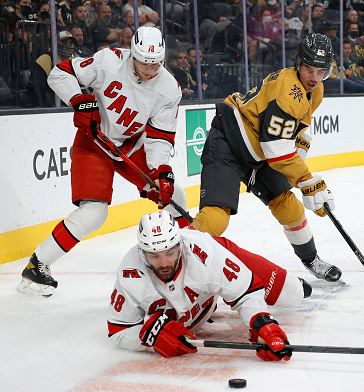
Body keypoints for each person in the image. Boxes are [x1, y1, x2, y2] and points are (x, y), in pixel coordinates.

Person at [18, 27, 189, 297]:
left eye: (154, 63)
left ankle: (193, 258)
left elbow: (159, 137)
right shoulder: (109, 60)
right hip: (94, 143)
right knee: (94, 213)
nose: (148, 68)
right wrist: (79, 101)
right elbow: (59, 73)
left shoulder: (170, 89)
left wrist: (161, 171)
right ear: (132, 53)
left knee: (173, 194)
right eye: (143, 61)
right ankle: (37, 266)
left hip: (131, 147)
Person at [192, 33, 342, 283]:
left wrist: (303, 181)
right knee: (216, 217)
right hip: (229, 141)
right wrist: (308, 182)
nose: (314, 78)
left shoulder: (313, 91)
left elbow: (298, 129)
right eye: (308, 69)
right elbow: (277, 148)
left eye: (321, 71)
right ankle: (176, 256)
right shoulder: (287, 92)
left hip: (260, 152)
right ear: (299, 65)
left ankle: (311, 259)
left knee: (290, 206)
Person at [107, 210, 309, 360]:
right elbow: (118, 330)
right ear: (142, 253)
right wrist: (150, 341)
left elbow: (247, 291)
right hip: (196, 307)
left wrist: (262, 323)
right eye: (154, 256)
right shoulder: (130, 273)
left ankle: (297, 284)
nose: (164, 263)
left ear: (180, 245)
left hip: (222, 253)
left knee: (293, 294)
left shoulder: (207, 253)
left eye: (170, 252)